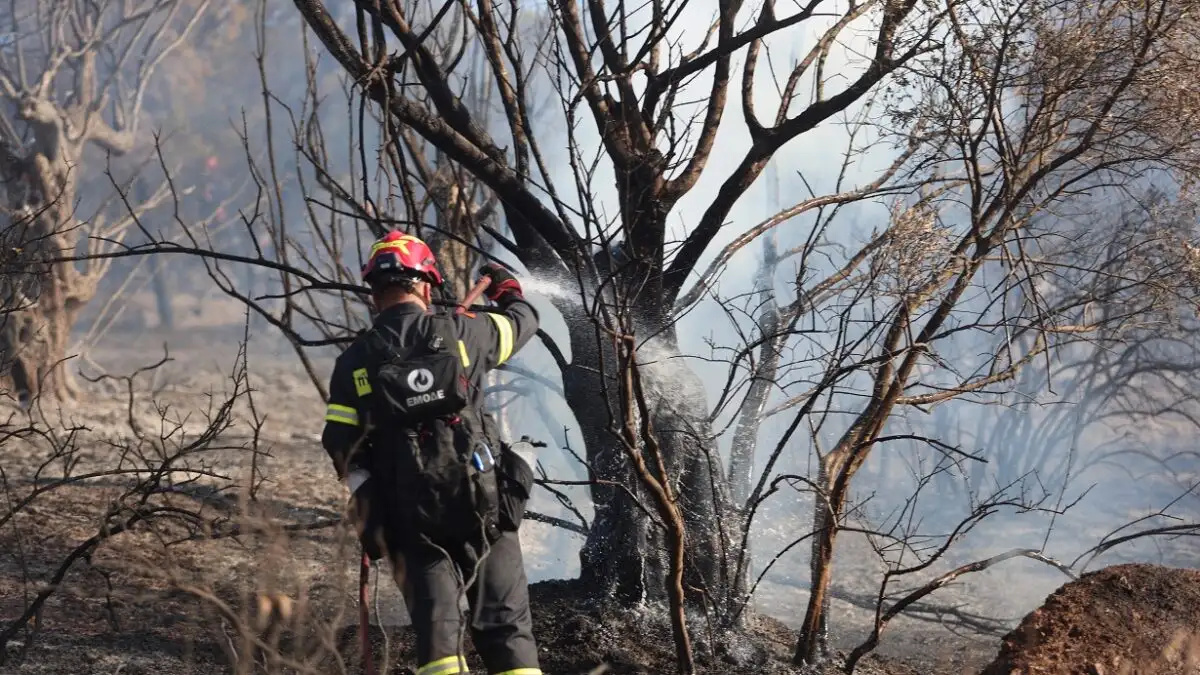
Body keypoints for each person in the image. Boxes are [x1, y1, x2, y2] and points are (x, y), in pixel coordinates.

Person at [320, 231, 542, 675]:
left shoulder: (355, 362)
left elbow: (340, 442)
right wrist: (507, 288)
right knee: (505, 630)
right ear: (426, 284)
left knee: (438, 635)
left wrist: (367, 497)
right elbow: (523, 322)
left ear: (375, 292)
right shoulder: (465, 333)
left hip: (409, 519)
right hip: (484, 506)